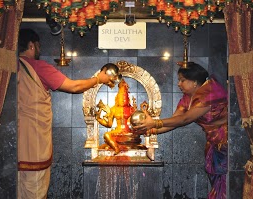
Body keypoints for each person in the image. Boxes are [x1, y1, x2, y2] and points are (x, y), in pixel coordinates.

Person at [17, 28, 113, 199]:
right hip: (33, 146)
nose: (39, 50)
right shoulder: (38, 67)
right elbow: (74, 86)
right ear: (31, 45)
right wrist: (99, 79)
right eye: (38, 46)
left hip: (12, 148)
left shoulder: (7, 67)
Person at [134, 62, 228, 199]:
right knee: (216, 183)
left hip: (226, 142)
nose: (179, 84)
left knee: (225, 183)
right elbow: (175, 121)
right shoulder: (187, 98)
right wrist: (150, 130)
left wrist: (154, 123)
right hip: (213, 143)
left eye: (182, 80)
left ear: (195, 82)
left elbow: (185, 119)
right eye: (179, 80)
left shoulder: (210, 92)